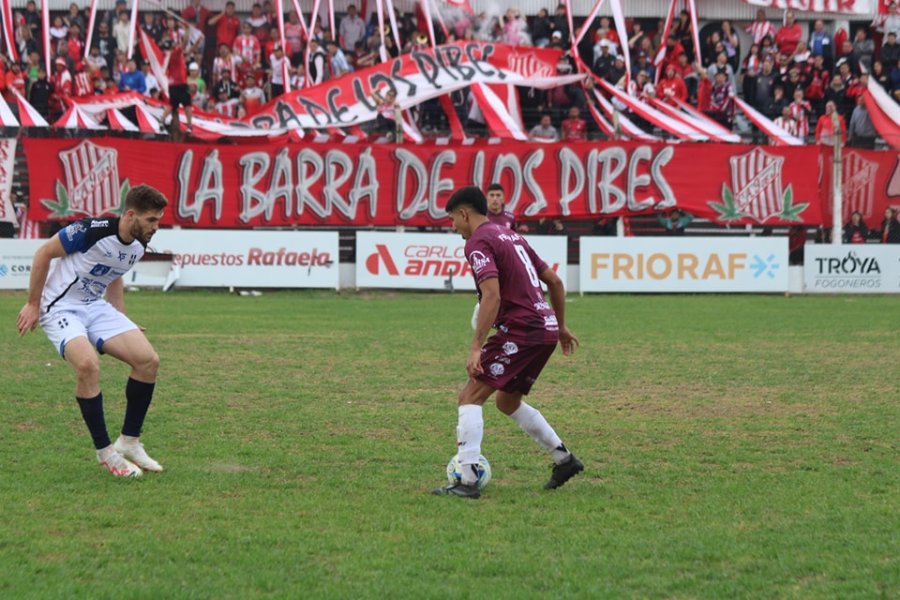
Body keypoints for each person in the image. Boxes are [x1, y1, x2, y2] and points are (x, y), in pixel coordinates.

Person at [432, 187, 582, 499]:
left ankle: (468, 481)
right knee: (506, 402)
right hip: (544, 328)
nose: (452, 227)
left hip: (522, 330)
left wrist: (476, 346)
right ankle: (564, 460)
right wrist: (562, 326)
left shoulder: (478, 241)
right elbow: (553, 280)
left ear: (464, 214)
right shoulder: (511, 235)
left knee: (470, 396)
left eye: (451, 220)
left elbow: (492, 294)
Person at [15, 185, 168, 478]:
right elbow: (44, 252)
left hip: (95, 307)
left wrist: (121, 319)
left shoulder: (138, 243)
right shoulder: (92, 230)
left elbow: (115, 274)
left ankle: (129, 442)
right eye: (151, 220)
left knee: (148, 361)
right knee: (87, 365)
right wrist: (33, 304)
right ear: (131, 214)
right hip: (60, 307)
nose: (156, 227)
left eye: (159, 220)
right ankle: (105, 452)